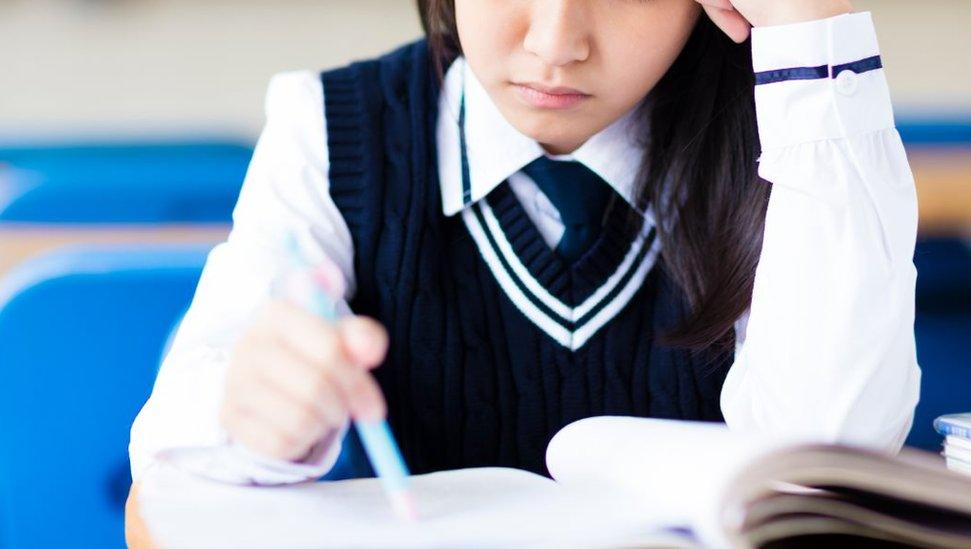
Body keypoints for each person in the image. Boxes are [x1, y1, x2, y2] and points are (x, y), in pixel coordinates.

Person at [130, 0, 921, 486]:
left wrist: (815, 37)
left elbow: (830, 461)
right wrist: (250, 413)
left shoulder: (788, 143)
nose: (555, 41)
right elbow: (171, 443)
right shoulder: (331, 130)